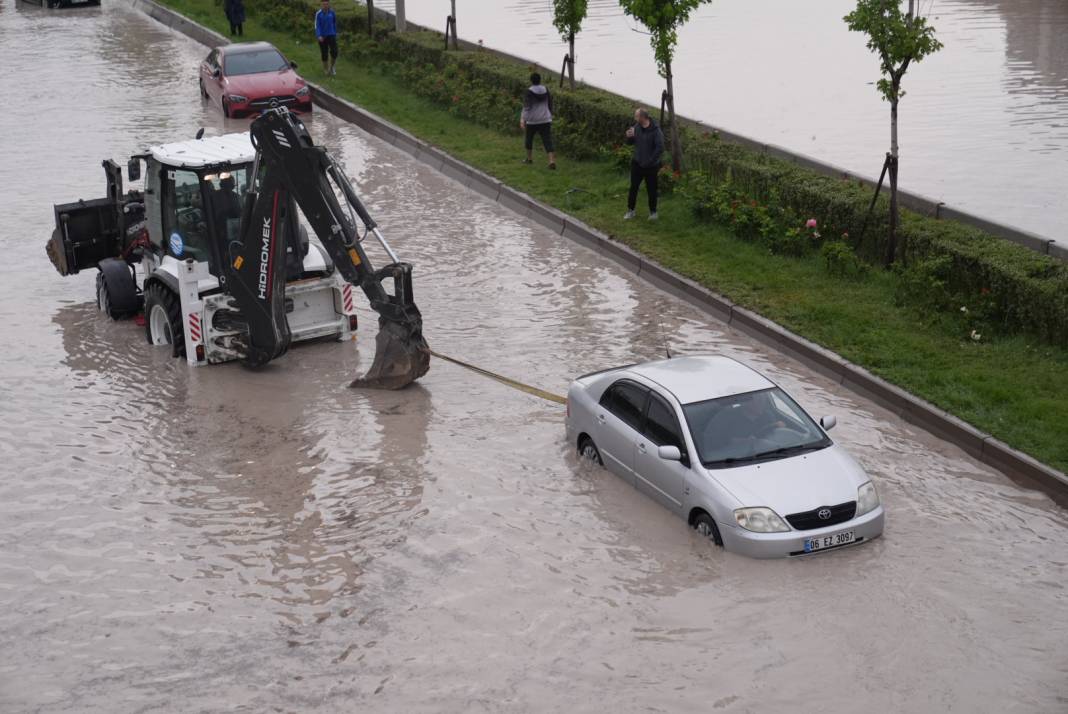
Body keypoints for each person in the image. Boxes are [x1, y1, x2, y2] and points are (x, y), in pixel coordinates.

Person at [623, 108, 664, 221]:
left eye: (636, 116)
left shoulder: (656, 130)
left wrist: (650, 161)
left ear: (643, 117)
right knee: (633, 188)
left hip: (651, 167)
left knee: (652, 190)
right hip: (637, 164)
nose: (635, 118)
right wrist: (629, 137)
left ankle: (653, 212)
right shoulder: (636, 127)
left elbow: (660, 148)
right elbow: (630, 143)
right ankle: (631, 211)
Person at [519, 73, 556, 170]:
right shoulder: (545, 89)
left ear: (531, 80)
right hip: (545, 119)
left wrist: (523, 119)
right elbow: (550, 103)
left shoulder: (529, 92)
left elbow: (527, 107)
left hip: (533, 121)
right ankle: (551, 161)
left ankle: (529, 158)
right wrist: (550, 114)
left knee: (529, 139)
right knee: (547, 140)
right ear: (540, 80)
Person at [315, 0, 339, 77]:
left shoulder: (332, 12)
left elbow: (334, 22)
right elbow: (317, 25)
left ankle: (332, 67)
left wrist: (335, 32)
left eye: (327, 4)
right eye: (324, 4)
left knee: (335, 52)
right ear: (321, 5)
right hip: (322, 36)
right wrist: (319, 35)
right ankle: (326, 69)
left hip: (331, 35)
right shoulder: (318, 14)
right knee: (324, 54)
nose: (325, 5)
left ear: (329, 5)